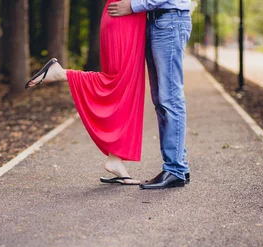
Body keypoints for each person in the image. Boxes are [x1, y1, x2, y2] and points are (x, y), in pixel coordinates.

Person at [26, 0, 147, 186]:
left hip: (128, 16)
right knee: (117, 83)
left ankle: (115, 160)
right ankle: (61, 73)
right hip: (124, 15)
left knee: (126, 88)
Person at [108, 0, 192, 189]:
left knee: (170, 99)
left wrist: (133, 6)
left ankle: (175, 170)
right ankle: (178, 165)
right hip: (157, 22)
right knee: (161, 100)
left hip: (170, 21)